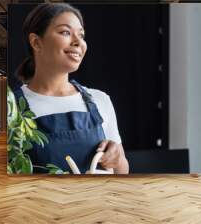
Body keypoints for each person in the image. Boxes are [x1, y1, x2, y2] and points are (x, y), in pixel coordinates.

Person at [13, 3, 129, 174]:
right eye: (65, 32)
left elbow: (123, 172)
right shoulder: (12, 106)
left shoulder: (100, 99)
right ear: (36, 42)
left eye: (81, 35)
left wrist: (117, 158)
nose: (78, 42)